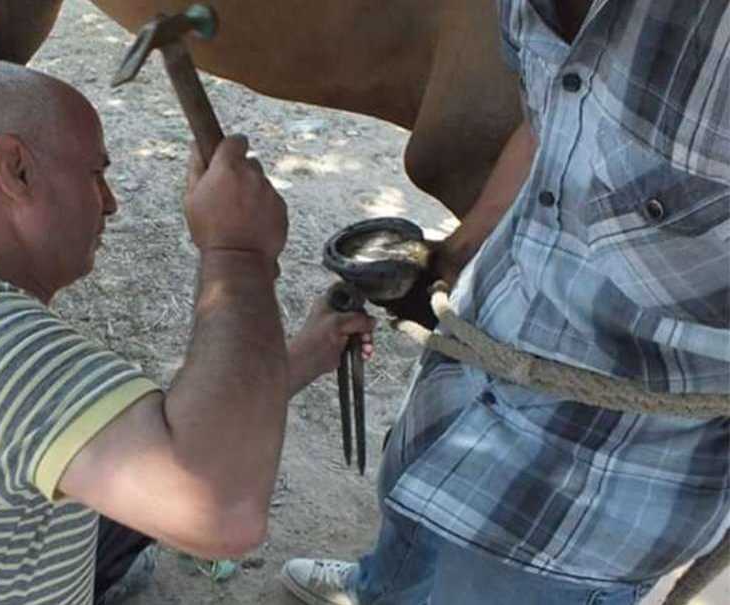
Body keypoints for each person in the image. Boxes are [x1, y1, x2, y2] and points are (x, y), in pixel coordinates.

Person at [0, 61, 375, 605]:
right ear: (17, 169)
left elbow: (161, 436)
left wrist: (303, 357)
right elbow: (220, 509)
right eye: (95, 173)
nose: (110, 202)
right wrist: (237, 252)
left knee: (142, 463)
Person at [281, 1, 730, 604]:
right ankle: (381, 591)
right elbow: (554, 115)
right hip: (469, 383)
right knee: (407, 529)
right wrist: (456, 252)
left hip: (595, 495)